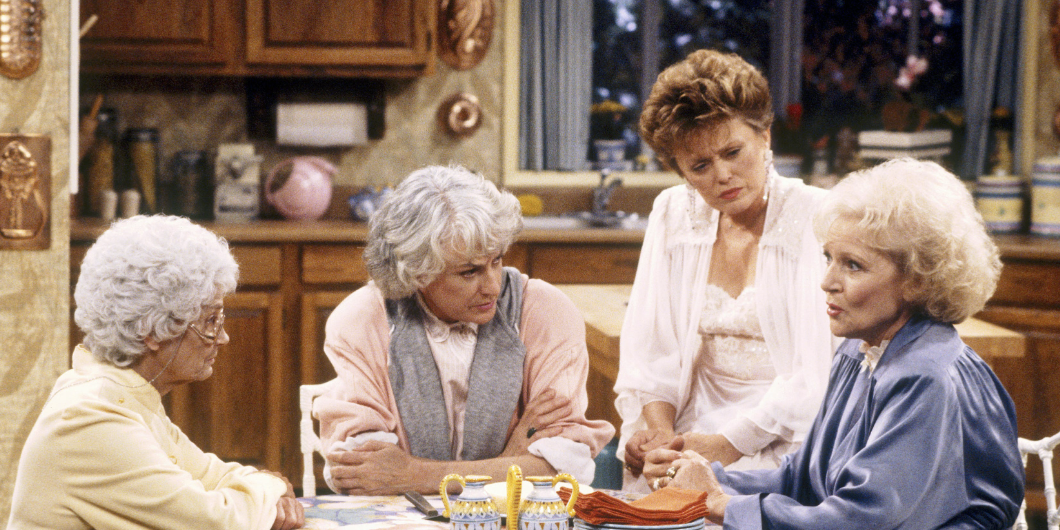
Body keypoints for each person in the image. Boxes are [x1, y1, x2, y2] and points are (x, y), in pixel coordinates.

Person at [660, 158, 1024, 529]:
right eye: (828, 258)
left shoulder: (924, 377)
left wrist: (720, 503)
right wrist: (707, 478)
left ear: (918, 280)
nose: (827, 281)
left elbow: (857, 519)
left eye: (853, 265)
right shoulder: (859, 352)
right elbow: (802, 480)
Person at [314, 165, 615, 495]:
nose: (492, 287)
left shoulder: (545, 311)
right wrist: (511, 460)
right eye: (469, 272)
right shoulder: (363, 318)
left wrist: (413, 475)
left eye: (497, 261)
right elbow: (362, 476)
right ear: (418, 272)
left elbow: (566, 469)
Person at [614, 48, 837, 490]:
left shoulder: (818, 216)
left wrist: (727, 444)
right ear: (679, 170)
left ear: (765, 136)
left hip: (788, 433)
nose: (722, 175)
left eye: (733, 151)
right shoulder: (673, 214)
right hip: (690, 425)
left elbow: (817, 373)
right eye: (699, 165)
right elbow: (652, 352)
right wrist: (659, 435)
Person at [7, 215, 303, 530]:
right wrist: (271, 486)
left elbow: (210, 475)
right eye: (210, 321)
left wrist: (255, 485)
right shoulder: (90, 418)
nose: (223, 337)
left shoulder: (126, 397)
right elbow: (217, 522)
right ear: (151, 330)